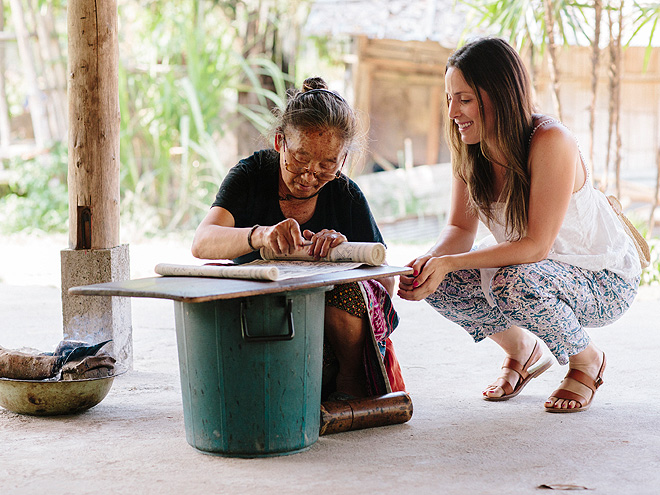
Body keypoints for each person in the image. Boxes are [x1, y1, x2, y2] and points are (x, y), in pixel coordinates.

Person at [398, 37, 641, 413]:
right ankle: (522, 352)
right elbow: (460, 231)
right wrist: (428, 263)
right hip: (534, 272)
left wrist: (450, 262)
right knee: (438, 280)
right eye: (449, 99)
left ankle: (587, 360)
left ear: (499, 95)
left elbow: (536, 246)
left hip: (603, 280)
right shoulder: (470, 148)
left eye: (463, 99)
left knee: (513, 281)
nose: (452, 112)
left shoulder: (550, 140)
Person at [192, 76, 405, 399]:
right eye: (300, 159)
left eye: (326, 165)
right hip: (260, 324)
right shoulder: (251, 176)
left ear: (342, 160)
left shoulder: (346, 195)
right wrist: (261, 236)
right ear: (279, 142)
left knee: (348, 292)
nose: (309, 175)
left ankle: (349, 383)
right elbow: (202, 241)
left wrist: (345, 253)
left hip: (326, 337)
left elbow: (384, 286)